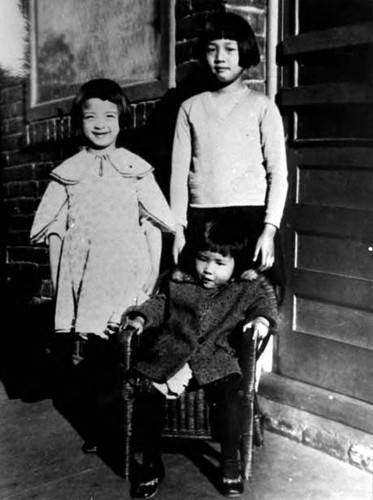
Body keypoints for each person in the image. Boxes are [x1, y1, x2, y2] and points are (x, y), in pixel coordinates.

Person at [30, 78, 175, 451]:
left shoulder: (135, 169)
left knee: (127, 351)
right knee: (94, 356)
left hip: (126, 275)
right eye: (91, 115)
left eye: (109, 115)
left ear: (121, 120)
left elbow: (154, 226)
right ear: (79, 121)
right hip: (87, 278)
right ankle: (103, 428)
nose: (100, 124)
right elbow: (55, 233)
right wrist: (64, 286)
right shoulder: (68, 174)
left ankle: (132, 429)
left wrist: (148, 276)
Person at [122, 216, 278, 498]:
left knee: (232, 395)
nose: (208, 270)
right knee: (147, 392)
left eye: (220, 263)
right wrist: (140, 319)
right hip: (173, 353)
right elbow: (159, 305)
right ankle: (152, 462)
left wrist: (260, 322)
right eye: (203, 259)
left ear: (237, 265)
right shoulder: (180, 283)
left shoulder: (243, 288)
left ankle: (230, 462)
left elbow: (263, 304)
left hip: (215, 358)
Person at [170, 12, 288, 298]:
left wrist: (269, 230)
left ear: (244, 52)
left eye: (230, 49)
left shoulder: (262, 107)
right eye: (212, 50)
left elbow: (278, 173)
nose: (220, 58)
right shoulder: (190, 108)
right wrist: (178, 230)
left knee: (255, 297)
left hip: (250, 217)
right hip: (203, 217)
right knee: (202, 296)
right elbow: (178, 174)